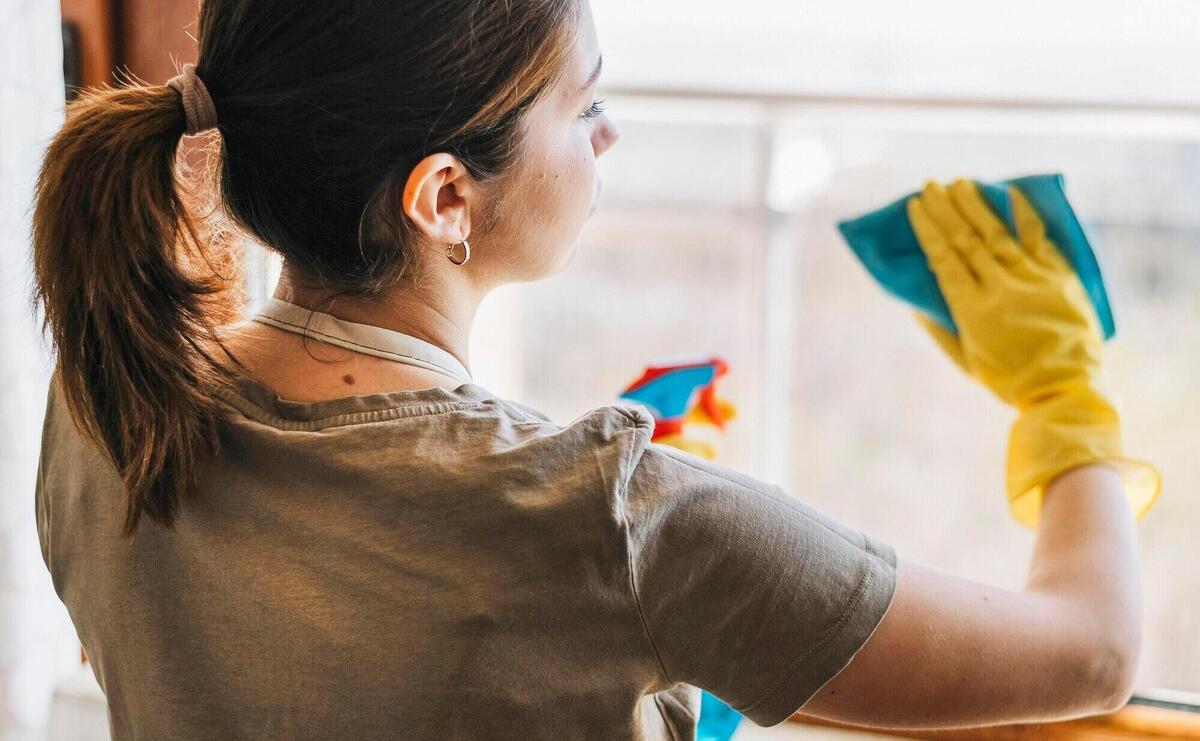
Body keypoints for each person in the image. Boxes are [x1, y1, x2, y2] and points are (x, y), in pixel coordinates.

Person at [31, 0, 1154, 738]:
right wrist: (1062, 393)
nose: (607, 140)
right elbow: (1094, 651)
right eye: (588, 106)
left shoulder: (106, 396)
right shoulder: (611, 524)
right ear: (445, 200)